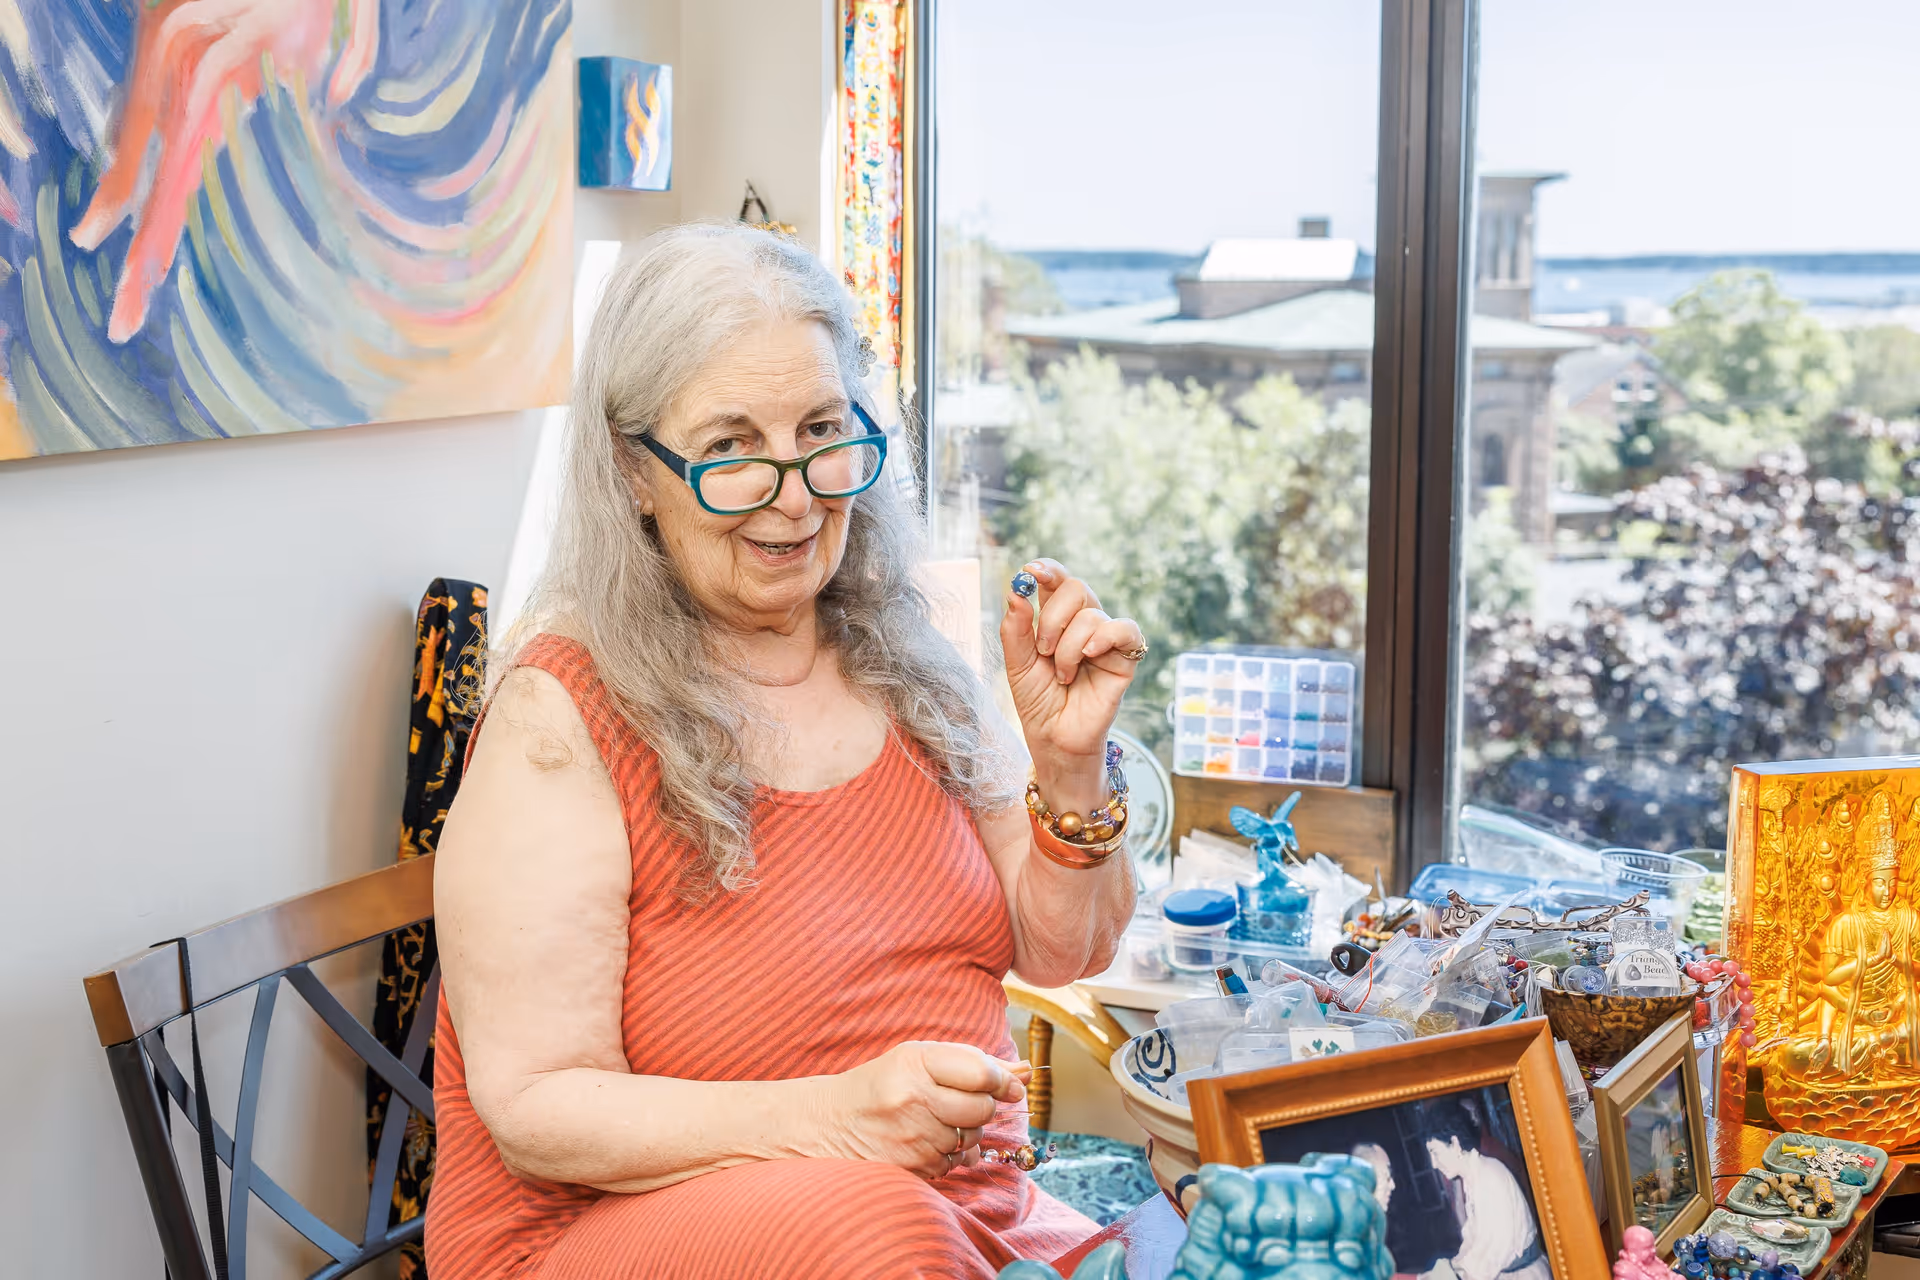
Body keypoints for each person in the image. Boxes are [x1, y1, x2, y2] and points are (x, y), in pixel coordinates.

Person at [426, 223, 1146, 1279]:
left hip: (960, 1216)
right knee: (882, 1228)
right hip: (596, 1240)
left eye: (820, 429)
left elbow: (1063, 952)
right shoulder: (558, 716)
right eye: (730, 448)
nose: (797, 492)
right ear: (635, 471)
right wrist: (841, 1117)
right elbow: (537, 1109)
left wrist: (1073, 764)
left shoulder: (906, 655)